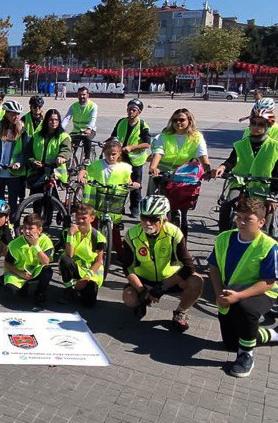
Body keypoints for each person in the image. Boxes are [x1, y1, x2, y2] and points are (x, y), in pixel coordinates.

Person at [208, 196, 278, 378]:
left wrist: (238, 296)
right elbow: (214, 267)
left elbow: (268, 282)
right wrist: (219, 295)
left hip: (261, 292)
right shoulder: (224, 238)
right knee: (232, 343)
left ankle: (246, 356)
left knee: (245, 310)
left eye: (248, 219)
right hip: (230, 292)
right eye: (238, 217)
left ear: (261, 222)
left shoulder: (270, 246)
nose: (241, 222)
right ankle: (277, 335)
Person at [117, 195, 203, 333]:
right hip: (145, 279)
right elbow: (127, 267)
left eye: (153, 219)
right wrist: (141, 290)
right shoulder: (132, 234)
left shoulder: (174, 233)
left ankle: (180, 312)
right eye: (144, 217)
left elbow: (188, 267)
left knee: (196, 281)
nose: (147, 223)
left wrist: (163, 287)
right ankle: (142, 301)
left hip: (170, 279)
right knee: (129, 298)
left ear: (164, 218)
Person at [213, 112, 278, 232]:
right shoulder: (241, 144)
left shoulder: (275, 147)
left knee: (266, 219)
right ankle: (223, 238)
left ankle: (264, 242)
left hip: (262, 188)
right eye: (253, 123)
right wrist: (222, 167)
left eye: (260, 124)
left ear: (267, 126)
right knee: (226, 206)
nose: (256, 127)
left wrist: (272, 195)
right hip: (241, 184)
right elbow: (231, 161)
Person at [146, 108, 213, 232]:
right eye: (175, 120)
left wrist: (208, 171)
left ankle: (182, 241)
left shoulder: (197, 137)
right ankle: (150, 229)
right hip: (163, 171)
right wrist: (153, 168)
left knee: (183, 209)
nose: (178, 123)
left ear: (189, 121)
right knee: (152, 202)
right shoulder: (164, 135)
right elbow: (158, 152)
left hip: (184, 174)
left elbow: (203, 156)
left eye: (182, 120)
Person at [78, 139, 135, 239]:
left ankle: (120, 252)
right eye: (108, 154)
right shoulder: (97, 165)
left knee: (115, 230)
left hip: (114, 201)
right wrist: (81, 176)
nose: (111, 156)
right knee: (93, 226)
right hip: (97, 201)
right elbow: (86, 171)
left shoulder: (125, 167)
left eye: (114, 154)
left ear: (119, 154)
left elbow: (129, 180)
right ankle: (91, 245)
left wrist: (133, 184)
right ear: (104, 152)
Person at [27, 108, 70, 222]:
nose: (54, 122)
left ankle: (51, 218)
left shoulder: (63, 136)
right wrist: (32, 161)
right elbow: (29, 151)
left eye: (56, 120)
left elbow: (66, 149)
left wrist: (61, 157)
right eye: (51, 119)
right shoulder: (37, 135)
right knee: (37, 200)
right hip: (38, 170)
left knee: (50, 200)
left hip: (54, 171)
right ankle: (36, 221)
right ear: (46, 121)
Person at [59, 202, 106, 307]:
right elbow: (69, 255)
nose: (80, 221)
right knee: (65, 260)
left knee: (89, 303)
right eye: (77, 218)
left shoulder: (98, 237)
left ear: (92, 218)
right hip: (75, 267)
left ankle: (81, 289)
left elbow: (99, 261)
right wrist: (70, 234)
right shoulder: (68, 232)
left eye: (83, 218)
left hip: (90, 271)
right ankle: (68, 289)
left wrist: (86, 278)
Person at [4, 213, 54, 305]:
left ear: (39, 230)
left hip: (37, 271)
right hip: (20, 272)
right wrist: (21, 273)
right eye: (25, 228)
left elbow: (46, 262)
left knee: (48, 271)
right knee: (11, 289)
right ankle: (24, 286)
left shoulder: (45, 241)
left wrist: (35, 245)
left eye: (31, 229)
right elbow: (7, 263)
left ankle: (40, 293)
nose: (26, 231)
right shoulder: (15, 244)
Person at [111, 99, 151, 214]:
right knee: (120, 182)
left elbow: (147, 144)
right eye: (129, 109)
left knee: (135, 184)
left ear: (139, 112)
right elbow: (113, 136)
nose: (130, 112)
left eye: (134, 110)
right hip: (122, 157)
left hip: (136, 160)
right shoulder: (121, 122)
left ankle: (135, 207)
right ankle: (119, 206)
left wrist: (132, 147)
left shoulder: (143, 125)